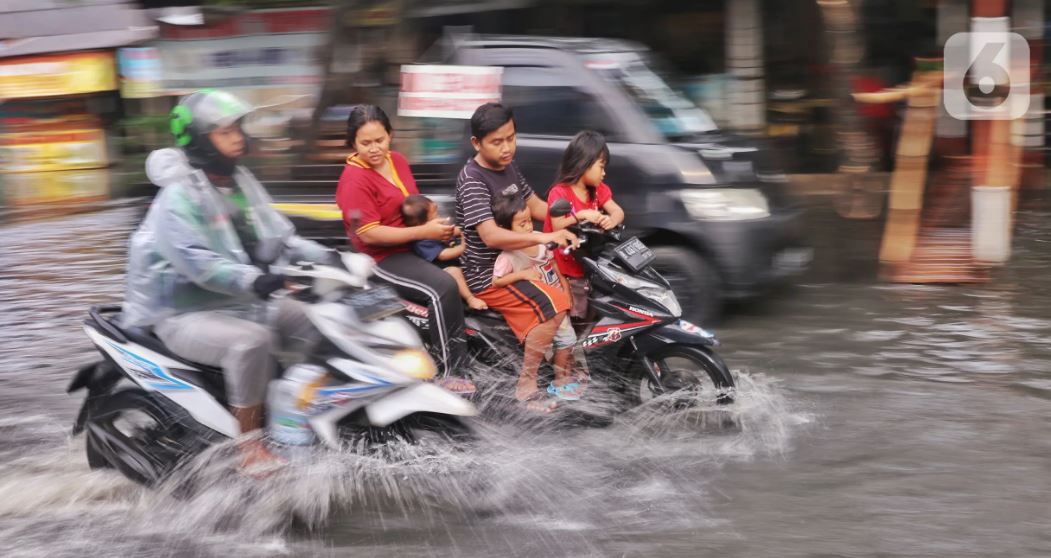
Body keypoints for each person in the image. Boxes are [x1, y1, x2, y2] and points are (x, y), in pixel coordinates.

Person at [121, 89, 336, 474]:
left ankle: (302, 416)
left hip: (241, 302)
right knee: (252, 342)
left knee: (318, 320)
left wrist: (332, 257)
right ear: (201, 139)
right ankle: (249, 447)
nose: (239, 137)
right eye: (225, 131)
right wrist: (256, 281)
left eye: (238, 127)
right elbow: (199, 264)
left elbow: (281, 237)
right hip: (183, 314)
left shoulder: (240, 184)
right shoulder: (178, 198)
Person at [335, 105, 475, 395]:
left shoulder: (397, 160)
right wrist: (426, 232)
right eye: (365, 143)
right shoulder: (353, 180)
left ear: (390, 136)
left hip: (414, 245)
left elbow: (413, 208)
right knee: (444, 287)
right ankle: (452, 373)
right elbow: (370, 234)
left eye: (380, 140)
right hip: (381, 258)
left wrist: (438, 229)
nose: (374, 149)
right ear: (352, 143)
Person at [454, 102, 578, 412]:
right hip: (491, 274)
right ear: (476, 143)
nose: (507, 147)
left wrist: (578, 215)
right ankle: (526, 387)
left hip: (521, 258)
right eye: (497, 141)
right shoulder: (472, 180)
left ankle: (564, 372)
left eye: (511, 137)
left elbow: (536, 205)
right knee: (555, 304)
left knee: (568, 289)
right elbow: (490, 236)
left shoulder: (506, 166)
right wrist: (543, 236)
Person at [490, 196, 580, 404]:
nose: (529, 226)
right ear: (506, 230)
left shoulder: (541, 239)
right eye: (522, 224)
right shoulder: (509, 256)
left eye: (529, 220)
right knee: (563, 340)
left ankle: (563, 376)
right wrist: (521, 275)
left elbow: (554, 266)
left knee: (567, 341)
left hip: (558, 299)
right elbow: (497, 282)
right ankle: (560, 380)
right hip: (541, 307)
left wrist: (565, 288)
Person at [543, 130, 625, 330]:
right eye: (601, 166)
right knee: (571, 319)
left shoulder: (599, 190)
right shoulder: (560, 192)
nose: (604, 173)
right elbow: (557, 226)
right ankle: (564, 357)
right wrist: (582, 215)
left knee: (587, 316)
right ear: (584, 163)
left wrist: (611, 220)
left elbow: (618, 211)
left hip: (587, 265)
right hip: (563, 268)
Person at [400, 194, 488, 311]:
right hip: (442, 269)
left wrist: (466, 229)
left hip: (457, 261)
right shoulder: (422, 241)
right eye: (435, 214)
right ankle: (470, 298)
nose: (439, 215)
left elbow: (453, 231)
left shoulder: (436, 227)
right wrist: (462, 248)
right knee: (454, 272)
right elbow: (443, 255)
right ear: (421, 224)